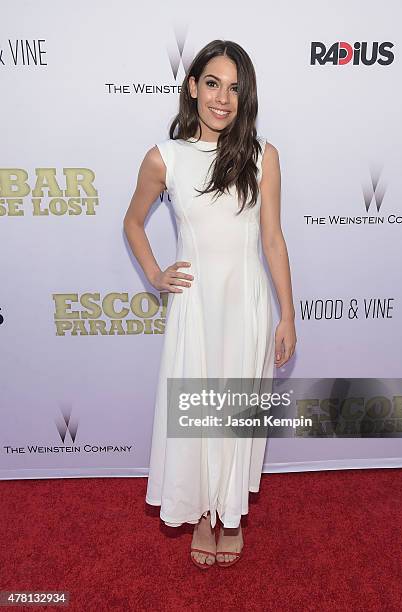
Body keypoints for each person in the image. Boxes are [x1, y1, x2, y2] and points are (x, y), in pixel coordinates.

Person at [123, 39, 296, 569]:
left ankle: (232, 513)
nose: (223, 98)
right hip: (194, 306)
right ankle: (202, 513)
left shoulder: (263, 156)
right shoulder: (165, 157)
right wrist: (156, 274)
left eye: (235, 88)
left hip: (246, 302)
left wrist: (288, 313)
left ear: (246, 97)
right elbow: (132, 221)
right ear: (193, 87)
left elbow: (272, 240)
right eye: (213, 84)